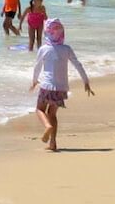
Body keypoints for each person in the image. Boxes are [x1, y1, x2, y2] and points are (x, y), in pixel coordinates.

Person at [31, 19, 94, 152]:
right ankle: (53, 143)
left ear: (47, 32)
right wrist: (86, 82)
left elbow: (37, 66)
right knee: (52, 113)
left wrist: (34, 80)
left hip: (47, 86)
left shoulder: (44, 49)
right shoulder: (66, 49)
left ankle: (47, 126)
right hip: (61, 88)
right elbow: (78, 65)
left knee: (39, 109)